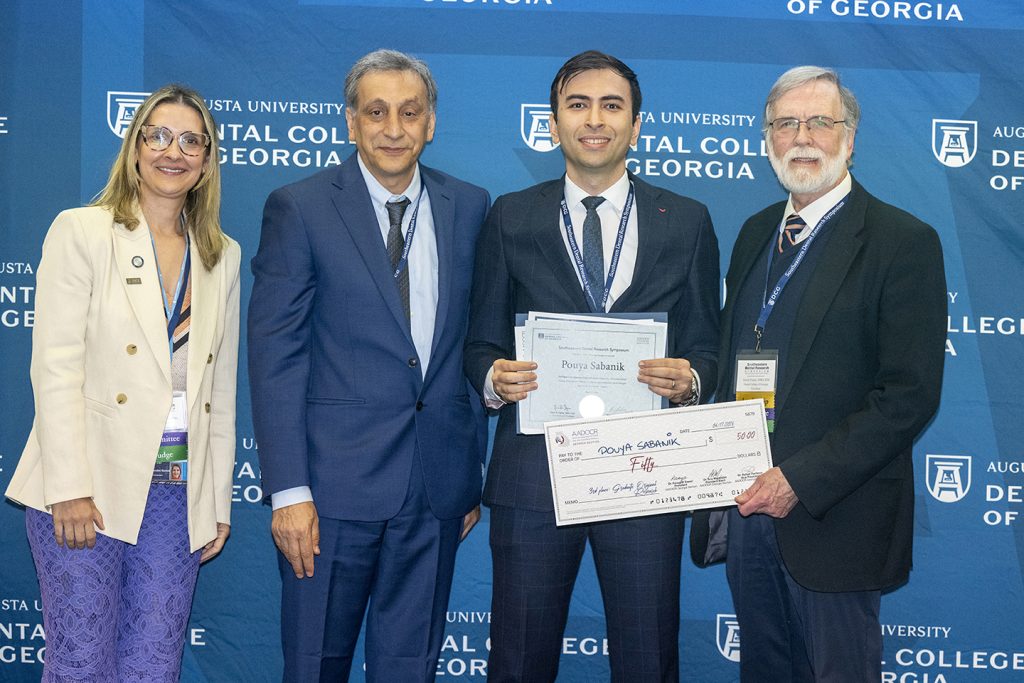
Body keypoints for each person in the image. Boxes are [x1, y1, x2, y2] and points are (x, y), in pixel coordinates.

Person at [465, 50, 720, 682]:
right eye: (578, 105)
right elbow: (479, 342)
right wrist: (495, 380)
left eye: (613, 106)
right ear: (553, 124)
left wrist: (689, 380)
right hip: (533, 474)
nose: (595, 120)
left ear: (636, 126)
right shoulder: (511, 215)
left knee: (647, 660)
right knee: (519, 660)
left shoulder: (687, 220)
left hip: (646, 469)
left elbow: (710, 348)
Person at [690, 66, 946, 681]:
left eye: (820, 122)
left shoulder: (902, 241)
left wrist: (798, 479)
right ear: (766, 139)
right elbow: (735, 364)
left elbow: (908, 397)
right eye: (785, 123)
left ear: (849, 138)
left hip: (836, 518)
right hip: (749, 513)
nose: (801, 136)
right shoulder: (755, 233)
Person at [248, 49, 490, 682]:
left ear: (430, 122)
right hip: (328, 495)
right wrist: (289, 491)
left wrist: (467, 475)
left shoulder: (469, 206)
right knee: (315, 664)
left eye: (409, 113)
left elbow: (470, 344)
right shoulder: (299, 207)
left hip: (435, 490)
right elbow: (276, 357)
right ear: (350, 122)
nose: (393, 128)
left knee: (412, 667)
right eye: (376, 112)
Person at [5, 84, 240, 681]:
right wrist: (68, 487)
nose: (174, 151)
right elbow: (54, 366)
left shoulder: (222, 256)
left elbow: (219, 390)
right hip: (90, 486)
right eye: (158, 135)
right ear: (135, 147)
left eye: (192, 140)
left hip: (174, 488)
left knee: (153, 666)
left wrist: (213, 502)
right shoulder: (83, 231)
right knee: (81, 662)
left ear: (208, 160)